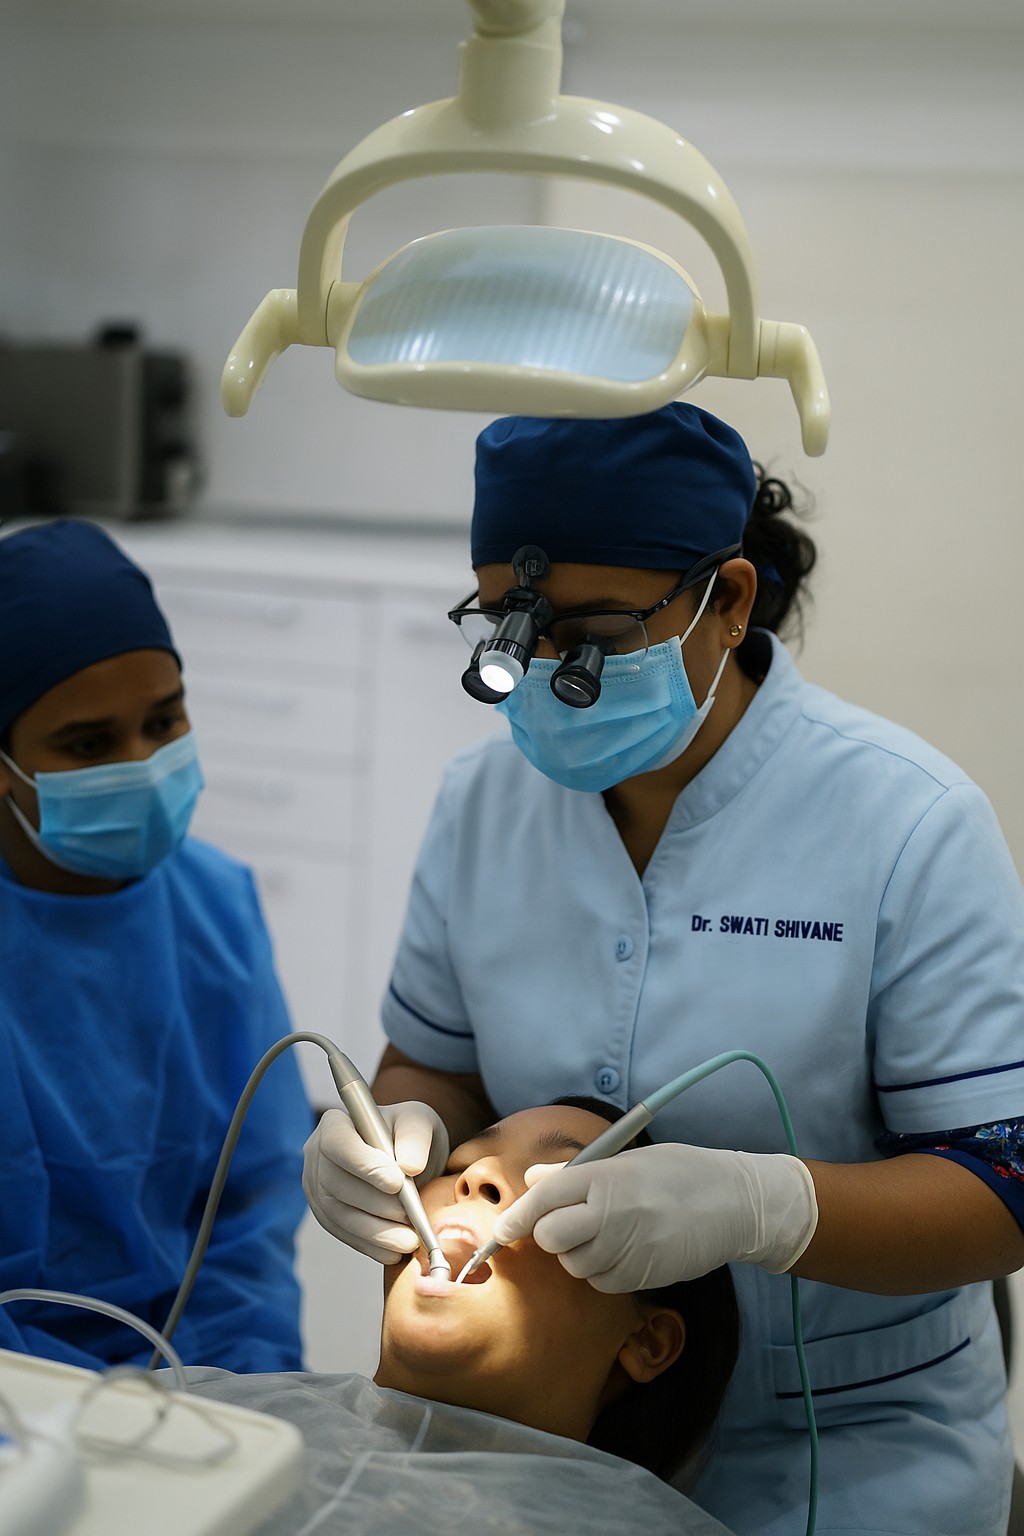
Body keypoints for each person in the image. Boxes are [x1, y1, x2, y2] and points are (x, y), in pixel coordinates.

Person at [303, 403, 1024, 1536]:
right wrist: (399, 1132)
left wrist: (760, 1207)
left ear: (727, 600)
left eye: (595, 629)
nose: (546, 666)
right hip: (545, 1454)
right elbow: (435, 1064)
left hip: (849, 1455)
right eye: (511, 628)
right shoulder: (482, 802)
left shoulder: (907, 822)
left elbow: (1003, 1188)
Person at [0, 519, 312, 1373]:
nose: (141, 764)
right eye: (89, 744)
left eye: (164, 721)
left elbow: (250, 1206)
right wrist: (75, 1410)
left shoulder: (214, 905)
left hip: (190, 1366)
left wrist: (236, 1386)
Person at [190, 1098, 740, 1536]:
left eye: (560, 1185)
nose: (477, 1175)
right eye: (458, 1163)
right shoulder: (194, 1421)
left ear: (647, 1341)